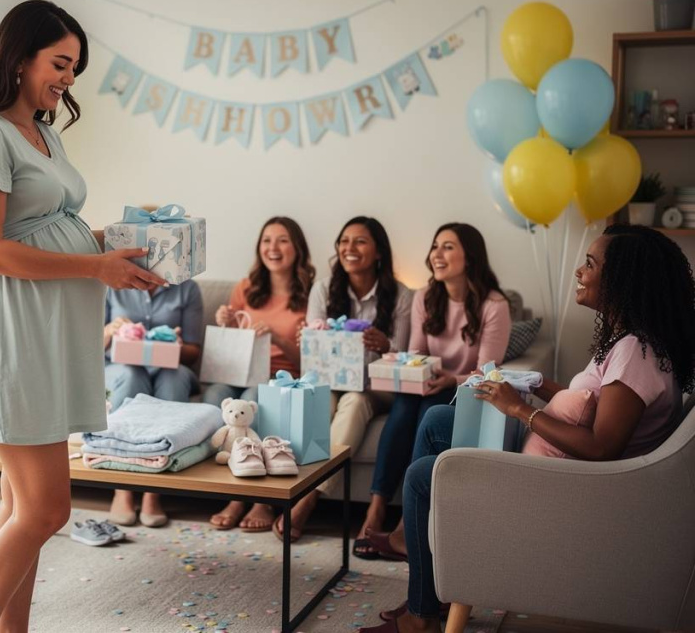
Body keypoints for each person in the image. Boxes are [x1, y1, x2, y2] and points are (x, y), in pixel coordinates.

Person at [0, 0, 165, 633]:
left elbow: (47, 228)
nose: (69, 79)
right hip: (10, 330)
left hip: (46, 327)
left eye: (74, 68)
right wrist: (95, 268)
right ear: (18, 59)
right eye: (60, 63)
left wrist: (108, 244)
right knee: (46, 510)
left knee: (20, 505)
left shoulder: (44, 130)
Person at [362, 224, 695, 633]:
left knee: (420, 476)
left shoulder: (634, 354)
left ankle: (423, 614)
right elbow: (591, 403)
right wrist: (537, 384)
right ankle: (419, 568)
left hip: (561, 484)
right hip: (554, 461)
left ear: (625, 280)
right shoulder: (634, 344)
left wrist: (520, 409)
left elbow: (602, 446)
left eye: (590, 264)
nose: (579, 271)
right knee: (435, 421)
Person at [358, 223, 510, 558]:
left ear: (469, 257)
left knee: (428, 410)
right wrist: (418, 373)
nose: (436, 255)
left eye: (447, 247)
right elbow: (416, 355)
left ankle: (403, 527)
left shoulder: (494, 305)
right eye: (435, 246)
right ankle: (377, 508)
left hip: (463, 391)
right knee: (405, 405)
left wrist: (449, 379)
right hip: (426, 385)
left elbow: (486, 372)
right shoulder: (425, 296)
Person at [279, 217, 414, 541]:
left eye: (360, 241)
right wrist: (311, 338)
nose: (349, 249)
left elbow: (407, 354)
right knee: (319, 404)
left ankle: (308, 499)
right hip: (329, 381)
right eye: (344, 241)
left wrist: (386, 346)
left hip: (375, 388)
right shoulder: (324, 288)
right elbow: (313, 347)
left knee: (354, 404)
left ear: (379, 251)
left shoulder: (401, 295)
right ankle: (288, 491)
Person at [203, 216, 315, 531]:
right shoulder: (247, 288)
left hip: (282, 376)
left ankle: (255, 499)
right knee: (214, 395)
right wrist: (226, 321)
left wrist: (277, 338)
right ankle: (231, 487)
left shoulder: (311, 294)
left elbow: (311, 360)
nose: (273, 248)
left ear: (297, 248)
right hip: (240, 371)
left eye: (282, 240)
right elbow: (233, 342)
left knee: (254, 401)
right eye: (267, 240)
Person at [103, 276, 204, 527]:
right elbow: (85, 345)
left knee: (175, 376)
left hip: (168, 367)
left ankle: (153, 492)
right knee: (130, 374)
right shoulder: (110, 284)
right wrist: (109, 330)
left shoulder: (187, 288)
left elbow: (193, 354)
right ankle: (122, 490)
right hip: (118, 367)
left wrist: (174, 344)